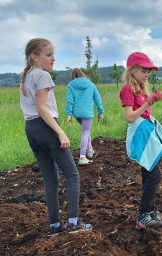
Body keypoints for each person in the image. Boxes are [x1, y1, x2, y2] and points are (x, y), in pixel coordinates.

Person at [19, 38, 92, 236]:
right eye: (48, 55)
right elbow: (42, 108)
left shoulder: (26, 77)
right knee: (72, 175)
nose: (53, 59)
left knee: (51, 180)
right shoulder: (42, 76)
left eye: (53, 54)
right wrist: (60, 132)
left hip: (31, 130)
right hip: (47, 127)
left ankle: (54, 226)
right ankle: (73, 223)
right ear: (34, 57)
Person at [119, 52, 162, 230]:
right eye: (143, 70)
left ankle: (150, 212)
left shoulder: (140, 89)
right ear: (132, 69)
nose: (147, 74)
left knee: (149, 174)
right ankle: (143, 215)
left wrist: (159, 138)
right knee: (154, 175)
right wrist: (148, 102)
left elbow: (146, 116)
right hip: (139, 136)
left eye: (149, 71)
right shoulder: (127, 89)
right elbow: (130, 117)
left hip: (147, 136)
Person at [65, 68, 104, 164]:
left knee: (86, 130)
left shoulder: (71, 85)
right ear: (83, 74)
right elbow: (98, 100)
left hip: (76, 114)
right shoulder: (91, 85)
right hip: (87, 113)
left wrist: (69, 115)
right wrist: (100, 112)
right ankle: (82, 156)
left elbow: (70, 101)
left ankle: (90, 150)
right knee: (85, 132)